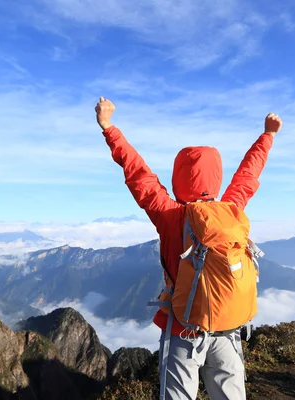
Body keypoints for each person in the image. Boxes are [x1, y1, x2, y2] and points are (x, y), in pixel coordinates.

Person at [95, 96, 281, 400]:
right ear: (217, 177)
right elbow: (248, 175)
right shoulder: (231, 209)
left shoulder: (170, 216)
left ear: (178, 176)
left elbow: (139, 174)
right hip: (228, 327)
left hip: (183, 330)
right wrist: (268, 135)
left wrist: (108, 127)